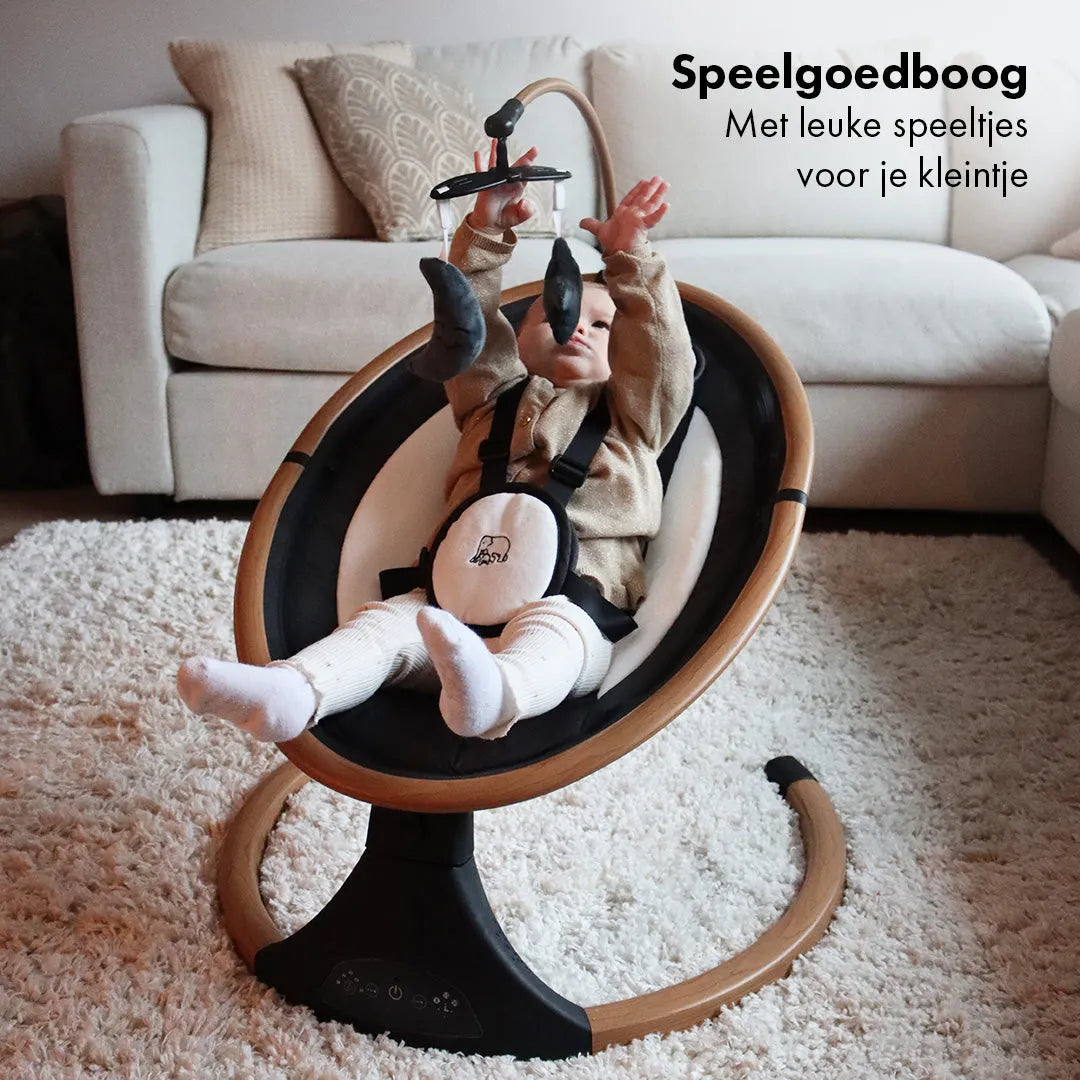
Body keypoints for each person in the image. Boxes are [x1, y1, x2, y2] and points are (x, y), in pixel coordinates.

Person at [177, 142, 696, 743]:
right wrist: (486, 229)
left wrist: (631, 257)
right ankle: (292, 691)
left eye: (602, 324)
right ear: (518, 339)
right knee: (384, 626)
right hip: (450, 600)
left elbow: (661, 353)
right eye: (554, 315)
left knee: (556, 637)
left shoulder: (633, 416)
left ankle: (495, 694)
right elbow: (466, 320)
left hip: (575, 602)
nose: (577, 324)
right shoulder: (491, 397)